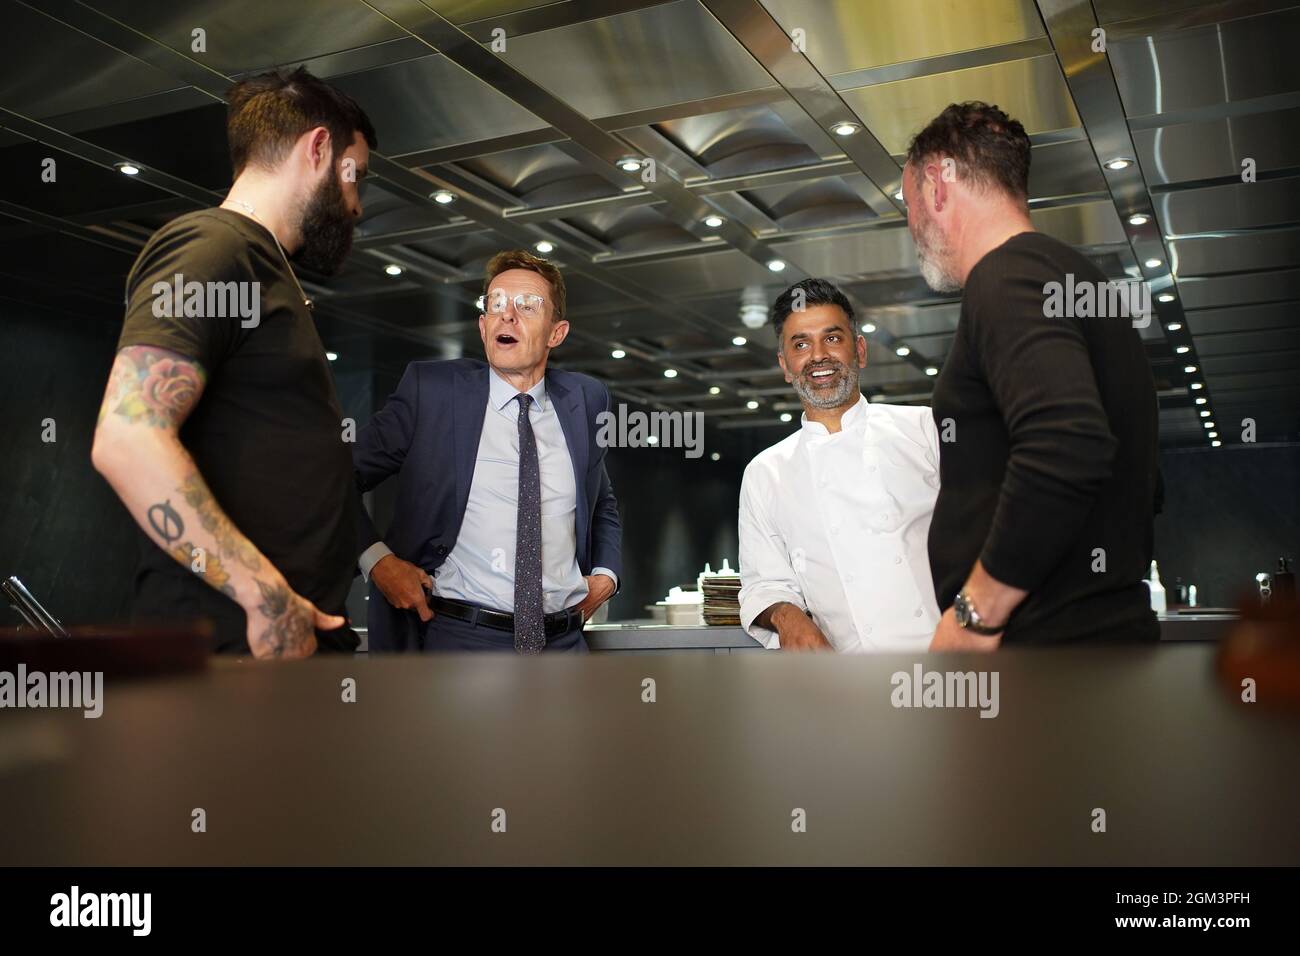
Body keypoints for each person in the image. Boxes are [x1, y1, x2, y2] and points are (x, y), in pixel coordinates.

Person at [92, 67, 377, 658]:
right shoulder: (216, 246)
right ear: (319, 148)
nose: (356, 204)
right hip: (230, 646)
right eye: (356, 176)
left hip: (282, 645)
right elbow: (126, 437)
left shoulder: (266, 271)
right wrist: (264, 596)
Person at [901, 101, 1160, 649]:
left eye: (909, 206)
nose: (913, 227)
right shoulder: (1085, 282)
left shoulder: (1005, 277)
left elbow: (1067, 440)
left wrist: (975, 616)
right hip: (1102, 643)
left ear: (936, 185)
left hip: (1046, 658)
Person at [354, 250, 622, 653]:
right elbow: (336, 479)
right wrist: (378, 561)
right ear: (482, 326)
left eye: (527, 306)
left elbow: (601, 503)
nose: (506, 316)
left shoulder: (585, 400)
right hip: (460, 640)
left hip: (564, 646)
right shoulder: (432, 392)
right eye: (495, 304)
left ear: (556, 333)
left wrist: (606, 576)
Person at [737, 278, 942, 652]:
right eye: (801, 344)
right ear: (785, 366)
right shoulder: (765, 472)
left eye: (832, 338)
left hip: (947, 662)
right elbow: (763, 583)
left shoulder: (925, 429)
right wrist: (787, 616)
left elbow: (984, 536)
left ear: (859, 350)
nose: (818, 356)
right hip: (848, 677)